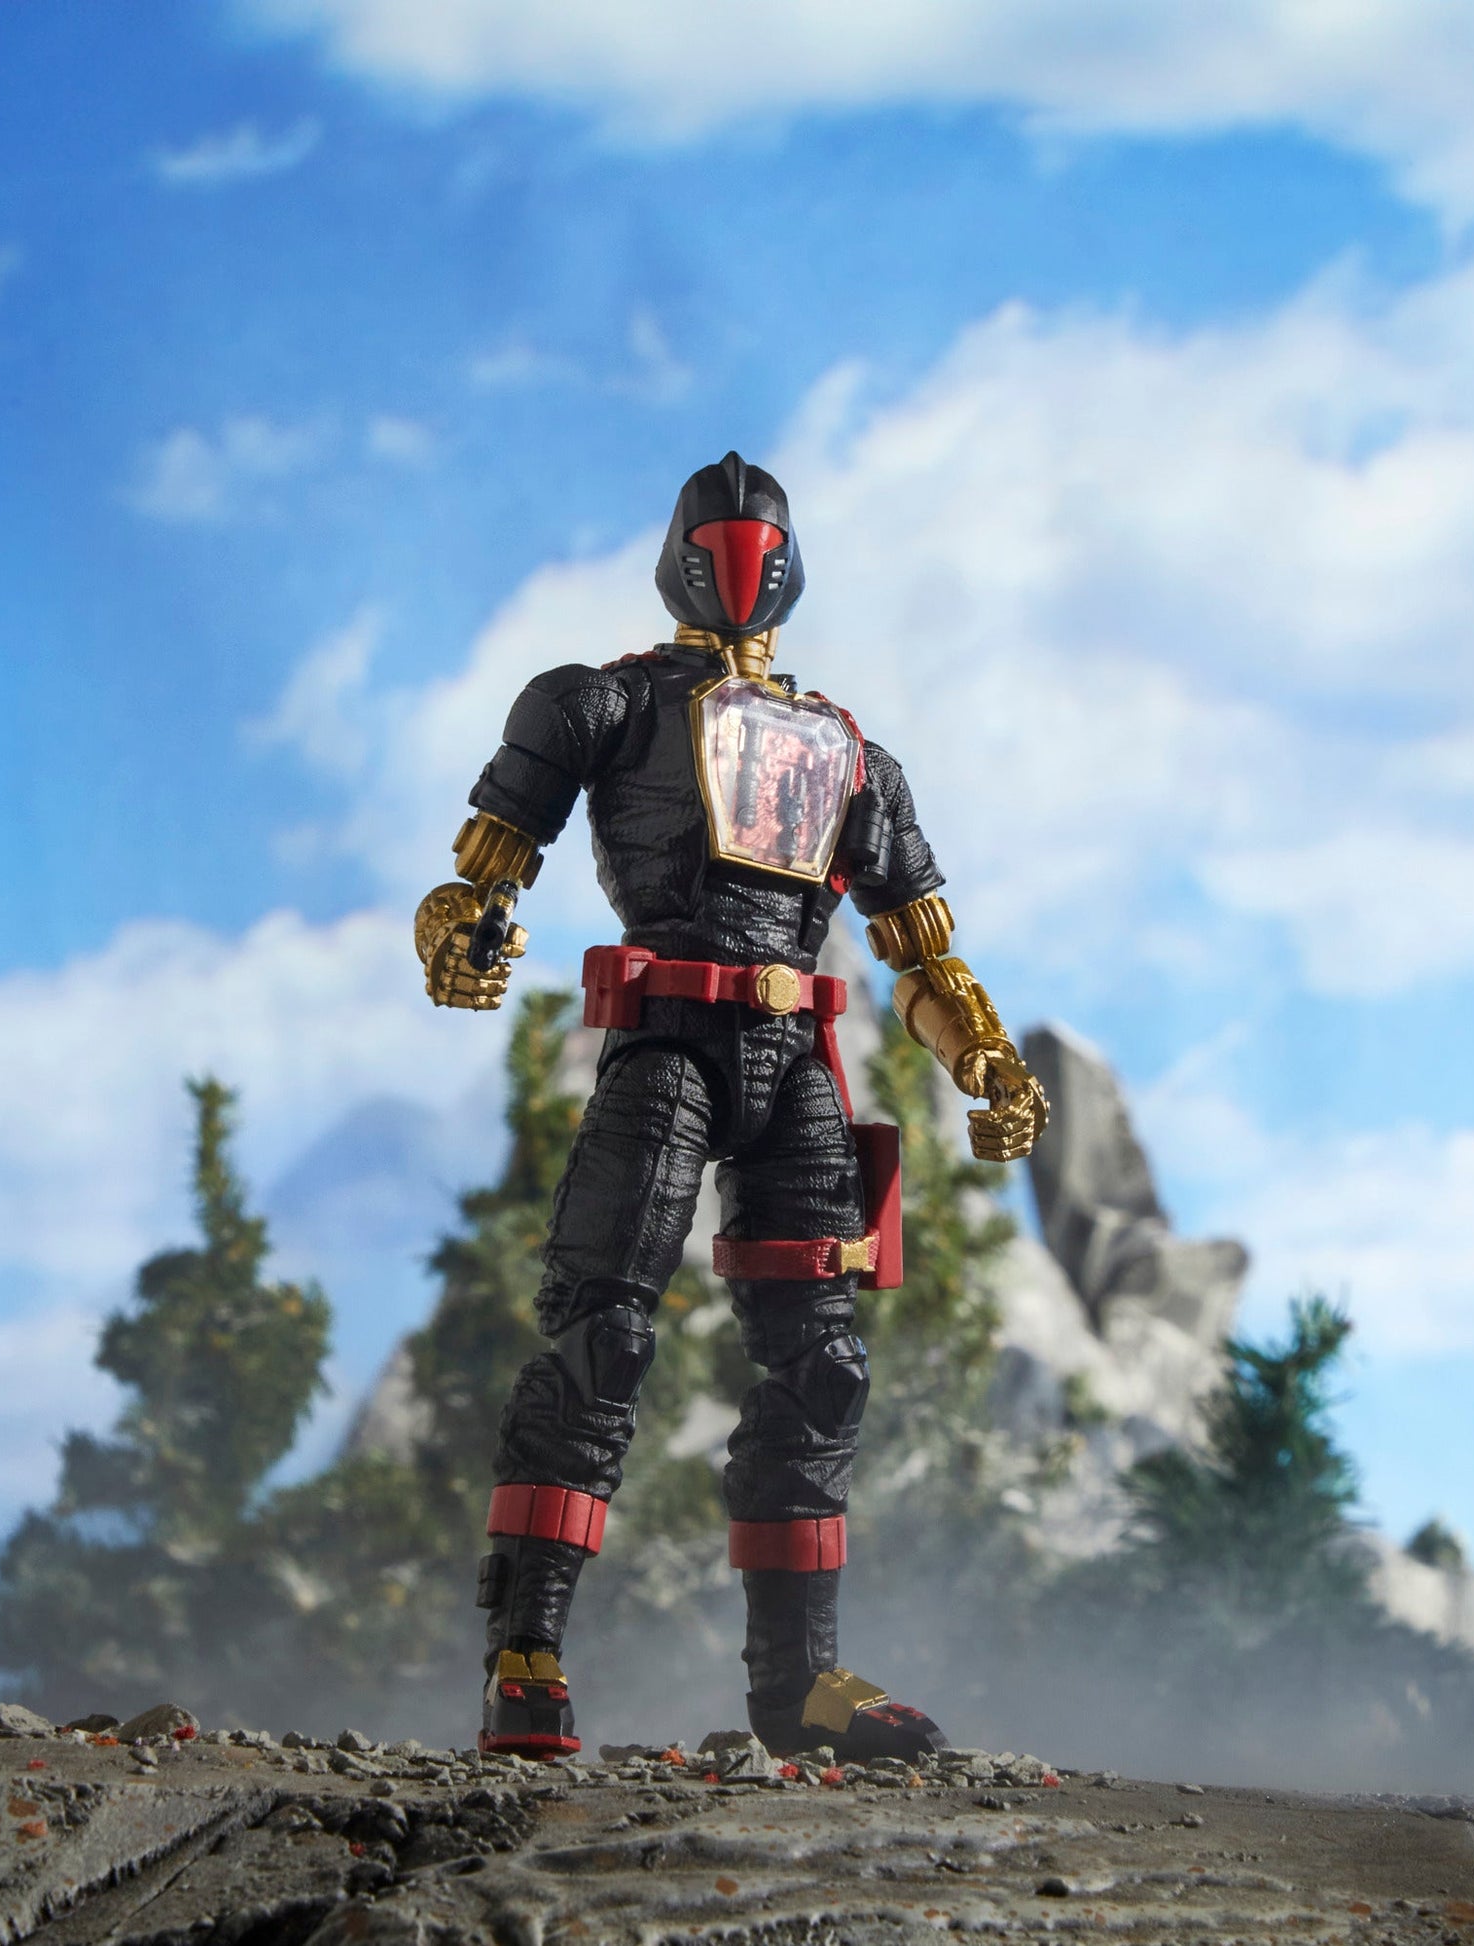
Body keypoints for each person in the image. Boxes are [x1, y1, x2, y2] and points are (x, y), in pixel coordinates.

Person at [414, 453, 1047, 1760]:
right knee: (601, 1333)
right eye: (720, 538)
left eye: (761, 540)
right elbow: (485, 868)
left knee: (823, 1365)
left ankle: (798, 1684)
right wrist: (462, 929)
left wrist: (982, 1056)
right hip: (669, 1044)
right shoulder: (600, 702)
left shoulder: (850, 753)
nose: (742, 553)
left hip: (793, 1060)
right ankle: (525, 1650)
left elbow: (922, 953)